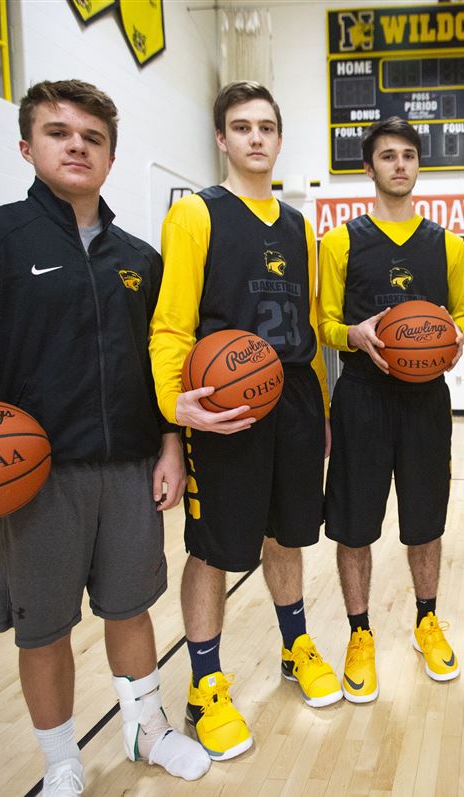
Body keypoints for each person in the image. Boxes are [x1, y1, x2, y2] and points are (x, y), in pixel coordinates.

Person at [0, 79, 210, 796]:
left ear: (111, 156)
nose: (77, 146)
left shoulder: (139, 257)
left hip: (130, 467)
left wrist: (169, 442)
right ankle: (61, 759)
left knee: (131, 607)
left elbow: (157, 363)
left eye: (93, 137)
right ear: (26, 146)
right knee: (43, 628)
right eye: (58, 132)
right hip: (32, 477)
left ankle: (147, 729)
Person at [149, 81, 341, 760]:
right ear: (222, 139)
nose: (255, 137)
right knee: (213, 548)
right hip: (224, 404)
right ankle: (205, 684)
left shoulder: (299, 226)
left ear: (279, 139)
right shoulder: (195, 214)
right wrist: (174, 406)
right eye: (241, 126)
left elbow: (311, 330)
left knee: (286, 534)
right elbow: (171, 325)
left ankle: (295, 646)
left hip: (293, 399)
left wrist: (319, 412)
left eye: (265, 126)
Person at [318, 117, 464, 702]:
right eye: (388, 156)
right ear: (369, 167)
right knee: (354, 523)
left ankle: (427, 621)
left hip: (426, 398)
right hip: (362, 394)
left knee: (425, 519)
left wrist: (453, 340)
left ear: (418, 165)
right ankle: (360, 633)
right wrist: (352, 335)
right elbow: (324, 323)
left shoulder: (447, 245)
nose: (399, 164)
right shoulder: (340, 242)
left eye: (408, 155)